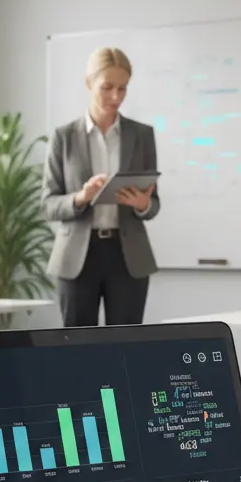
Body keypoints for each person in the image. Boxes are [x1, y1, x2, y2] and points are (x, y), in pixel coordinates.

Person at [41, 46, 160, 327]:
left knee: (126, 346)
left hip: (127, 254)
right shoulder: (63, 137)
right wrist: (81, 197)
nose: (116, 97)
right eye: (107, 87)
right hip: (77, 257)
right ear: (88, 83)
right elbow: (47, 204)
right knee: (78, 348)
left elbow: (154, 204)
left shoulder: (142, 135)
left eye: (123, 88)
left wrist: (143, 205)